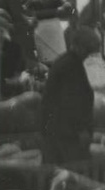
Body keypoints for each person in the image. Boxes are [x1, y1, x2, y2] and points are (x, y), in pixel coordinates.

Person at [40, 26, 100, 164]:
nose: (87, 55)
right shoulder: (71, 66)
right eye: (87, 51)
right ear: (79, 47)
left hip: (56, 130)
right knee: (73, 171)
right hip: (65, 134)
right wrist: (81, 129)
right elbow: (72, 102)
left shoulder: (67, 62)